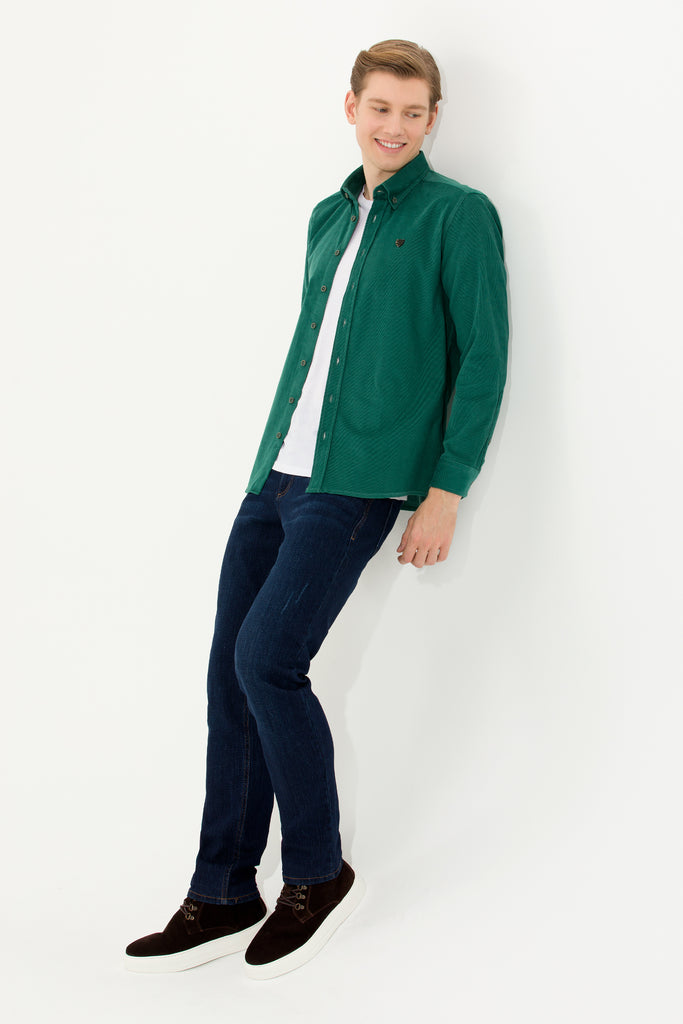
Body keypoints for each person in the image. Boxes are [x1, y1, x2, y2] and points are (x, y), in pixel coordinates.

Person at [125, 38, 508, 981]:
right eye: (380, 108)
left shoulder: (459, 215)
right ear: (350, 108)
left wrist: (446, 490)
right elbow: (312, 349)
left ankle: (316, 873)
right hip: (275, 480)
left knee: (268, 660)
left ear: (432, 120)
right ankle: (222, 889)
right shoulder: (327, 217)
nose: (394, 127)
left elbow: (483, 357)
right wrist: (266, 470)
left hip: (359, 483)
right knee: (229, 677)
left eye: (413, 113)